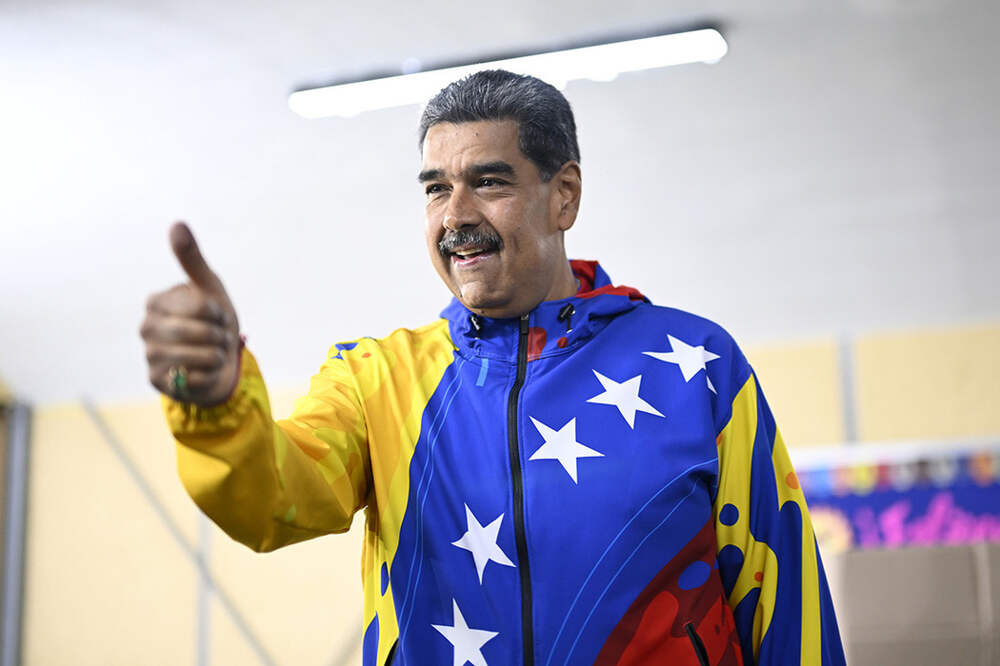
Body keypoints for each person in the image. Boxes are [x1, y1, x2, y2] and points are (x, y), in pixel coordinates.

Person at [141, 69, 845, 666]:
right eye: (435, 189)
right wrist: (215, 405)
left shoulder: (696, 366)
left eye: (488, 182)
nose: (456, 215)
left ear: (564, 195)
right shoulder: (376, 378)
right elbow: (272, 499)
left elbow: (783, 598)